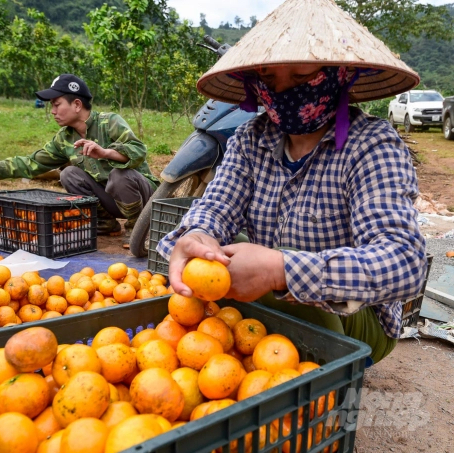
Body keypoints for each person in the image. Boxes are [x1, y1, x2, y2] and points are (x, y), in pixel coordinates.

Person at [157, 0, 428, 365]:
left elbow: (404, 262)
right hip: (275, 315)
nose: (283, 92)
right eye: (268, 79)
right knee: (218, 258)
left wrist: (281, 269)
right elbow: (216, 207)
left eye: (302, 78)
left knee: (299, 298)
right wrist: (198, 236)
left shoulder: (372, 145)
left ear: (340, 74)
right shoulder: (250, 139)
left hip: (356, 318)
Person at [0, 74, 158, 236]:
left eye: (57, 104)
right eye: (52, 106)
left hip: (145, 198)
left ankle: (139, 230)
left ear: (77, 104)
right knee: (69, 174)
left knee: (119, 176)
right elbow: (32, 163)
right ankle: (104, 224)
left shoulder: (110, 122)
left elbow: (138, 151)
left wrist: (105, 152)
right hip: (112, 201)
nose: (52, 111)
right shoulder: (65, 138)